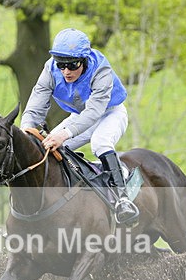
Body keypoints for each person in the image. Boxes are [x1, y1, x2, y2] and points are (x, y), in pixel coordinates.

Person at [20, 28, 139, 225]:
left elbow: (94, 112)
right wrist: (26, 132)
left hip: (110, 112)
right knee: (47, 150)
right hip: (78, 116)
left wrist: (65, 134)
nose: (66, 71)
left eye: (72, 65)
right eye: (61, 65)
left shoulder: (101, 70)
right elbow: (35, 107)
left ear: (84, 60)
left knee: (100, 143)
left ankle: (123, 199)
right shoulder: (50, 69)